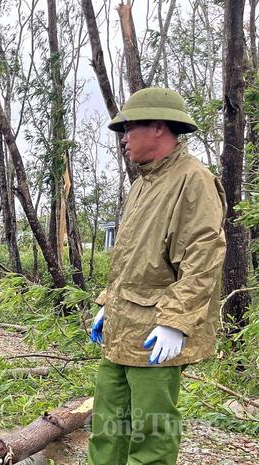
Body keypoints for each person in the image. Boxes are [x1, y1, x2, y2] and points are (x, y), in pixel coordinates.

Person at [87, 87, 226, 465]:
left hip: (155, 334)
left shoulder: (194, 180)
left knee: (151, 432)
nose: (123, 139)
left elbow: (203, 259)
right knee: (107, 425)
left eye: (130, 129)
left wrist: (176, 323)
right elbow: (132, 260)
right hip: (121, 326)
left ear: (159, 128)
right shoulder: (141, 185)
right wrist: (106, 305)